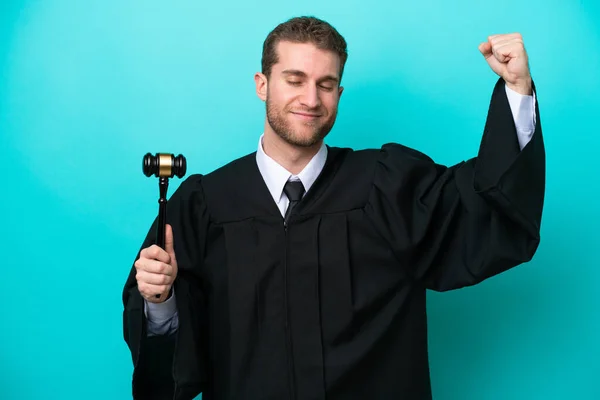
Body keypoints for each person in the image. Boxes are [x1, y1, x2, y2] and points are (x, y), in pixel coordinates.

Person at [122, 16, 545, 400]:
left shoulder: (387, 185)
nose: (311, 98)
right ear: (262, 83)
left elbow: (486, 207)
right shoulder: (205, 204)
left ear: (339, 93)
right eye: (294, 79)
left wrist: (517, 90)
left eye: (326, 84)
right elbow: (170, 355)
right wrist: (160, 301)